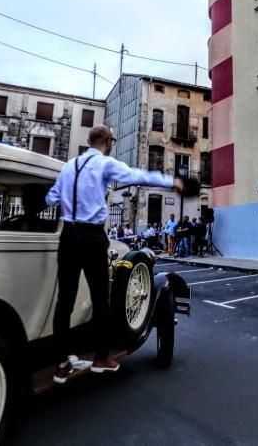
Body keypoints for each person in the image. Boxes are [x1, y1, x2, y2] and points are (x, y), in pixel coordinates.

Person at [46, 125, 183, 383]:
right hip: (92, 236)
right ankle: (100, 358)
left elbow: (51, 199)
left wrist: (70, 198)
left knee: (65, 300)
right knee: (101, 298)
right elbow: (136, 176)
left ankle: (61, 364)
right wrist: (171, 181)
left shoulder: (68, 167)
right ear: (108, 141)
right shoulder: (104, 164)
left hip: (68, 236)